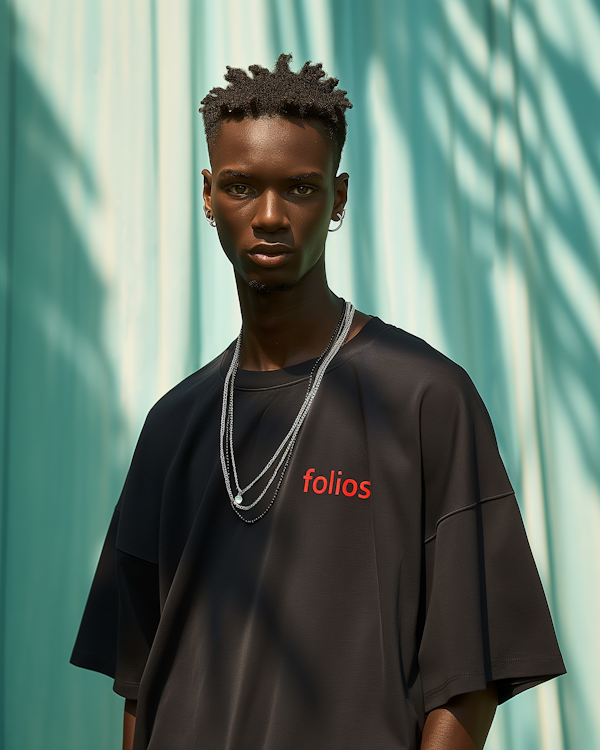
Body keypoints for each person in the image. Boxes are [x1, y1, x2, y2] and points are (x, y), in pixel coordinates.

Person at [71, 54, 565, 750]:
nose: (269, 217)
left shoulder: (426, 398)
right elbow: (139, 683)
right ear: (208, 194)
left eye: (299, 189)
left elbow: (469, 677)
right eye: (241, 187)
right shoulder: (172, 425)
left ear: (337, 198)